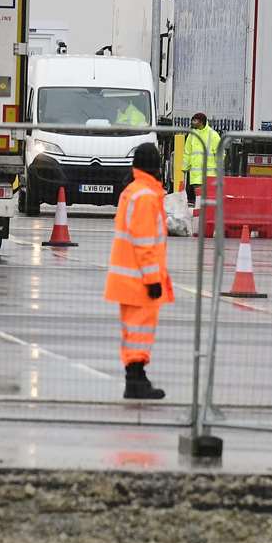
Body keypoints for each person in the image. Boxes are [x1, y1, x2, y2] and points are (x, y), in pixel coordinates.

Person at [104, 141, 173, 400]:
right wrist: (154, 279)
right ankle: (135, 380)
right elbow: (145, 243)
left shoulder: (133, 191)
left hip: (128, 277)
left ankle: (136, 377)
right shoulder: (145, 196)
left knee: (133, 332)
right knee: (139, 332)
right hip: (140, 279)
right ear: (156, 166)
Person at [182, 112, 220, 206]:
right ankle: (200, 216)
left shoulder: (213, 135)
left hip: (209, 175)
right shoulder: (191, 135)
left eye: (195, 120)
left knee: (206, 199)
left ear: (201, 122)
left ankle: (203, 216)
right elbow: (187, 152)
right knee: (199, 199)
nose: (192, 122)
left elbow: (219, 153)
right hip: (196, 176)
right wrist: (184, 168)